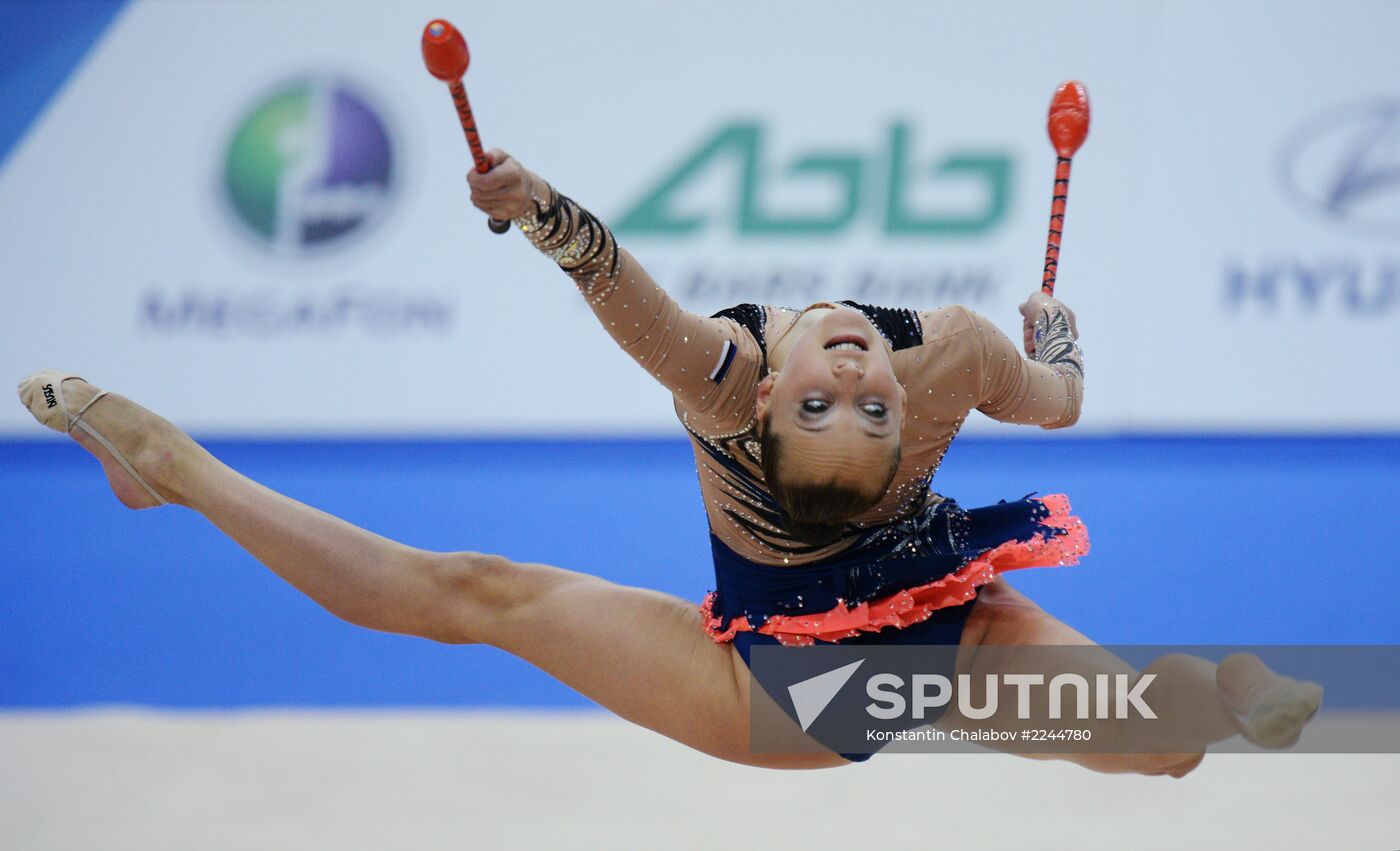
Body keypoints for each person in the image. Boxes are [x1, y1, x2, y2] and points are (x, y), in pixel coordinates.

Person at [16, 153, 1320, 775]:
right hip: (831, 672)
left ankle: (1198, 708)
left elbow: (639, 308)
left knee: (484, 595)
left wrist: (551, 221)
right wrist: (1060, 339)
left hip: (850, 662)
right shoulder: (949, 356)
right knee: (476, 590)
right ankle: (170, 468)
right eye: (855, 404)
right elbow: (1063, 403)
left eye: (843, 399)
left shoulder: (752, 380)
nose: (859, 380)